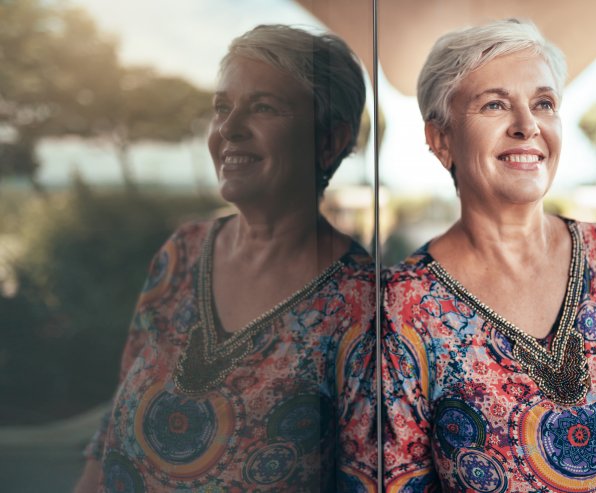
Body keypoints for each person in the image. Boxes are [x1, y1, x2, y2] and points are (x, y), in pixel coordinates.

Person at [382, 19, 596, 493]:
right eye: (495, 104)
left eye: (543, 103)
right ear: (441, 140)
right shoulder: (402, 306)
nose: (528, 126)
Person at [73, 24, 376, 492]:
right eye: (222, 108)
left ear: (328, 141)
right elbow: (111, 428)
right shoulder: (182, 252)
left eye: (263, 107)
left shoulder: (365, 305)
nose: (228, 129)